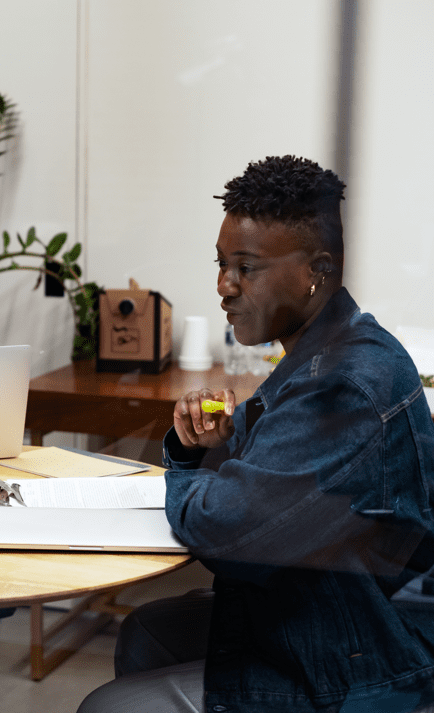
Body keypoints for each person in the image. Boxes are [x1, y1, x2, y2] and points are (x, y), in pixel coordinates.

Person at [78, 156, 434, 713]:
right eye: (221, 264)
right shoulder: (326, 350)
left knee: (108, 707)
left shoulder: (344, 383)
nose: (224, 286)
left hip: (362, 653)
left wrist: (187, 472)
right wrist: (203, 445)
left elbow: (224, 529)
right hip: (321, 609)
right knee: (146, 631)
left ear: (318, 268)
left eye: (247, 268)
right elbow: (256, 459)